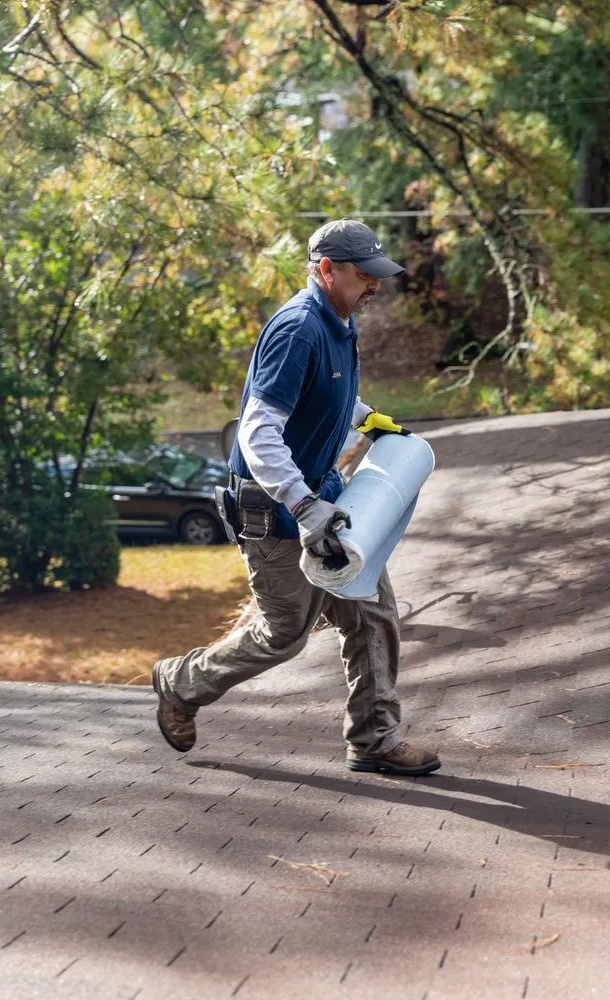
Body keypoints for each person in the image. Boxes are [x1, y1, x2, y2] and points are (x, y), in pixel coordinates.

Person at [152, 219, 441, 776]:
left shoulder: (339, 320)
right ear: (327, 270)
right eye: (363, 276)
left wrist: (368, 418)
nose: (374, 287)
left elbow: (329, 394)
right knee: (283, 634)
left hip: (324, 500)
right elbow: (257, 432)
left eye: (376, 276)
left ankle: (375, 740)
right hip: (276, 510)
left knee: (372, 617)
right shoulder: (297, 329)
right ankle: (181, 681)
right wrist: (305, 507)